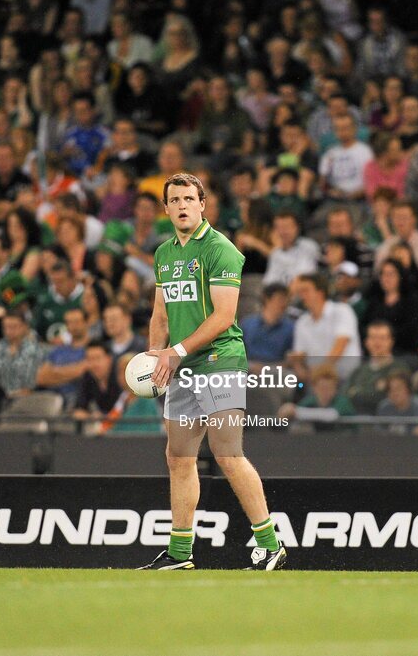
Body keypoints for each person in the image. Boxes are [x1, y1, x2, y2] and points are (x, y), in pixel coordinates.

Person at [139, 172, 286, 571]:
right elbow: (160, 313)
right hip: (182, 365)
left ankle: (270, 544)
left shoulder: (221, 249)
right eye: (175, 199)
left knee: (226, 452)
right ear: (166, 207)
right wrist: (156, 355)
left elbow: (224, 317)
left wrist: (177, 351)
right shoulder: (164, 254)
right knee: (179, 457)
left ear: (203, 204)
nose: (183, 205)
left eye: (190, 198)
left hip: (221, 359)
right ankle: (180, 554)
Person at [240, 283, 294, 370]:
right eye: (280, 299)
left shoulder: (290, 328)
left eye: (286, 300)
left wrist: (266, 368)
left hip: (275, 370)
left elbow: (290, 360)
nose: (284, 304)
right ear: (267, 299)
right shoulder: (247, 324)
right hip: (249, 368)